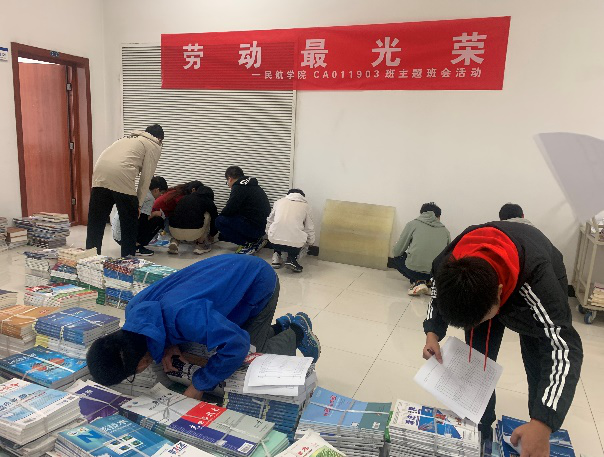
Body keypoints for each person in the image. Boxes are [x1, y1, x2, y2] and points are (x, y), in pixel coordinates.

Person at [422, 221, 583, 454]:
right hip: (486, 292)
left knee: (539, 366)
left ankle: (536, 427)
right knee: (477, 362)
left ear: (498, 293)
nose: (473, 326)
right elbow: (437, 297)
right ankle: (481, 427)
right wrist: (432, 333)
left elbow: (562, 347)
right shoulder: (446, 263)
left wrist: (543, 422)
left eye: (479, 319)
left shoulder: (539, 281)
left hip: (530, 286)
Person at [86, 254, 321, 400]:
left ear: (140, 365)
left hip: (256, 281)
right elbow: (161, 318)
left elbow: (237, 345)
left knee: (251, 357)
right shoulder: (134, 310)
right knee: (220, 341)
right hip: (225, 275)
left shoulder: (186, 318)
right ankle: (281, 326)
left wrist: (200, 384)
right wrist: (168, 345)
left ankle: (298, 331)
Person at [86, 125, 163, 257]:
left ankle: (89, 260)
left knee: (95, 224)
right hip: (121, 175)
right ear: (160, 139)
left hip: (100, 173)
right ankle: (128, 261)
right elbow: (146, 178)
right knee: (129, 225)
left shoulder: (127, 138)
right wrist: (138, 204)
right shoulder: (154, 145)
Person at [392, 202, 450, 296]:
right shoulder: (445, 231)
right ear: (438, 216)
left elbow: (397, 251)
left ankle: (418, 282)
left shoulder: (412, 224)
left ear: (422, 214)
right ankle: (429, 283)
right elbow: (447, 256)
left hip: (414, 271)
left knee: (398, 256)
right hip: (435, 274)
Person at [215, 166, 271, 255]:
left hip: (255, 228)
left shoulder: (238, 187)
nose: (228, 185)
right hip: (263, 227)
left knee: (219, 221)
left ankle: (248, 244)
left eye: (227, 182)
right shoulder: (252, 185)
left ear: (230, 179)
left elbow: (229, 209)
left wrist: (220, 215)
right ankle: (255, 240)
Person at [112, 176, 168, 256]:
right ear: (156, 190)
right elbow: (142, 222)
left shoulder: (141, 192)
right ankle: (136, 246)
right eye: (161, 193)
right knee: (158, 220)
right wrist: (154, 214)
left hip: (117, 235)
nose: (160, 196)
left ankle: (134, 244)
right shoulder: (150, 198)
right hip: (125, 237)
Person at [266, 189, 315, 273]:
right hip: (294, 245)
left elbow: (270, 220)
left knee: (278, 230)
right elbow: (309, 228)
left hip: (274, 241)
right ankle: (292, 258)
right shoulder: (306, 207)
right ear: (302, 197)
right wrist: (310, 242)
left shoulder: (279, 202)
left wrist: (268, 233)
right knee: (298, 236)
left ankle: (276, 257)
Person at [167, 183, 219, 256]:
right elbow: (215, 219)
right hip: (194, 232)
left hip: (173, 231)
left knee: (182, 214)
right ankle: (200, 245)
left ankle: (174, 242)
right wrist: (212, 234)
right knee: (207, 215)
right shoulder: (207, 200)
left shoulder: (184, 198)